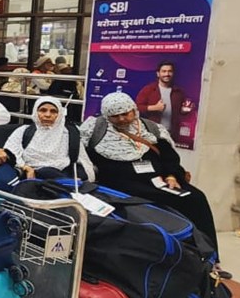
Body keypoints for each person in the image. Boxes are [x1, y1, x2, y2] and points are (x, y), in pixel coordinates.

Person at [79, 92, 222, 260]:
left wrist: (172, 176)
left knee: (195, 198)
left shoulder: (151, 129)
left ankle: (209, 255)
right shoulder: (93, 131)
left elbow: (169, 157)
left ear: (133, 111)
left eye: (126, 114)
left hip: (159, 180)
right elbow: (83, 159)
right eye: (115, 116)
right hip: (121, 184)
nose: (122, 119)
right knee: (151, 203)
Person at [4, 97, 94, 180]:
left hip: (64, 171)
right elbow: (10, 153)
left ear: (59, 115)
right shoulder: (23, 131)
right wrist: (26, 168)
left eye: (53, 111)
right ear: (35, 112)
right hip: (32, 173)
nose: (47, 115)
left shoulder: (70, 132)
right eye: (43, 110)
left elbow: (83, 159)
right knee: (46, 172)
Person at [134, 61, 191, 137]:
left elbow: (180, 112)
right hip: (152, 133)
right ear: (158, 74)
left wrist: (184, 110)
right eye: (164, 71)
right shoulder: (149, 89)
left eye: (170, 71)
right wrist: (154, 108)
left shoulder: (179, 92)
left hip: (171, 134)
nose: (167, 74)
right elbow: (136, 107)